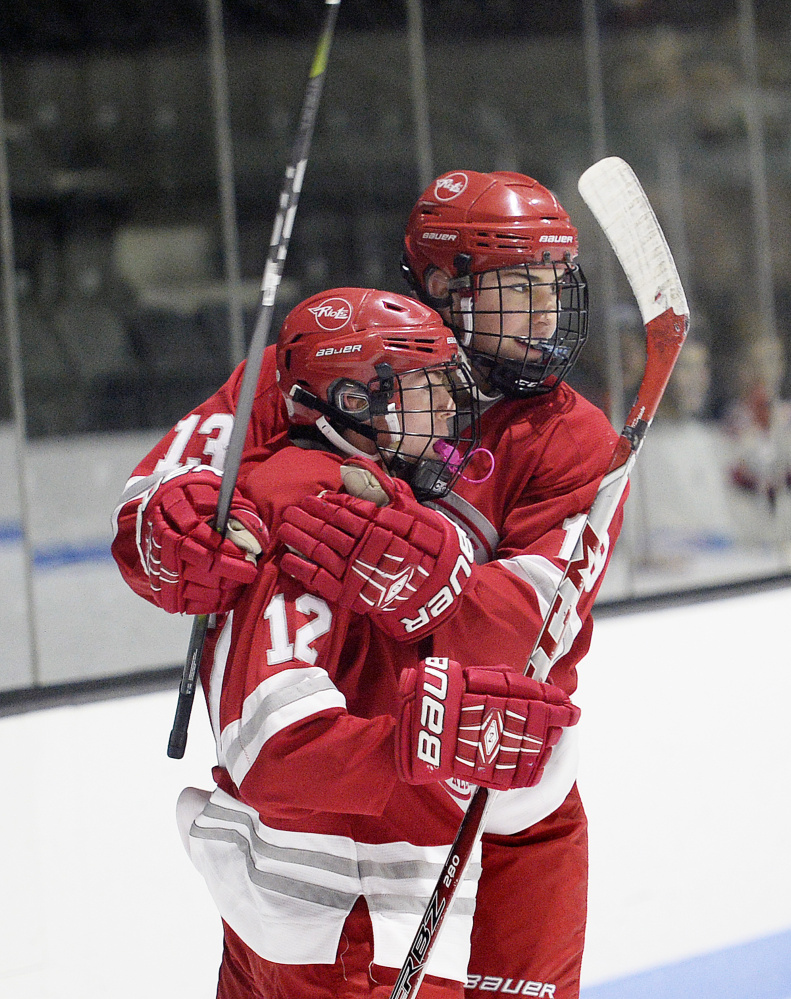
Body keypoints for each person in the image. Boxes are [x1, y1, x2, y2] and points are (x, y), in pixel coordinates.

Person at [111, 170, 626, 998]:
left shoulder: (573, 438)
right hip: (335, 819)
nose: (544, 313)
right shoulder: (312, 366)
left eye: (554, 283)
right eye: (514, 286)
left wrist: (440, 589)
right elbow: (162, 494)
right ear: (436, 283)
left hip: (501, 805)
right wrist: (164, 532)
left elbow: (543, 631)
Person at [173, 287, 582, 998]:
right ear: (354, 401)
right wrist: (427, 740)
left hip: (321, 925)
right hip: (336, 934)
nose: (449, 412)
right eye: (425, 390)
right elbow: (271, 743)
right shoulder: (306, 512)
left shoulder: (374, 498)